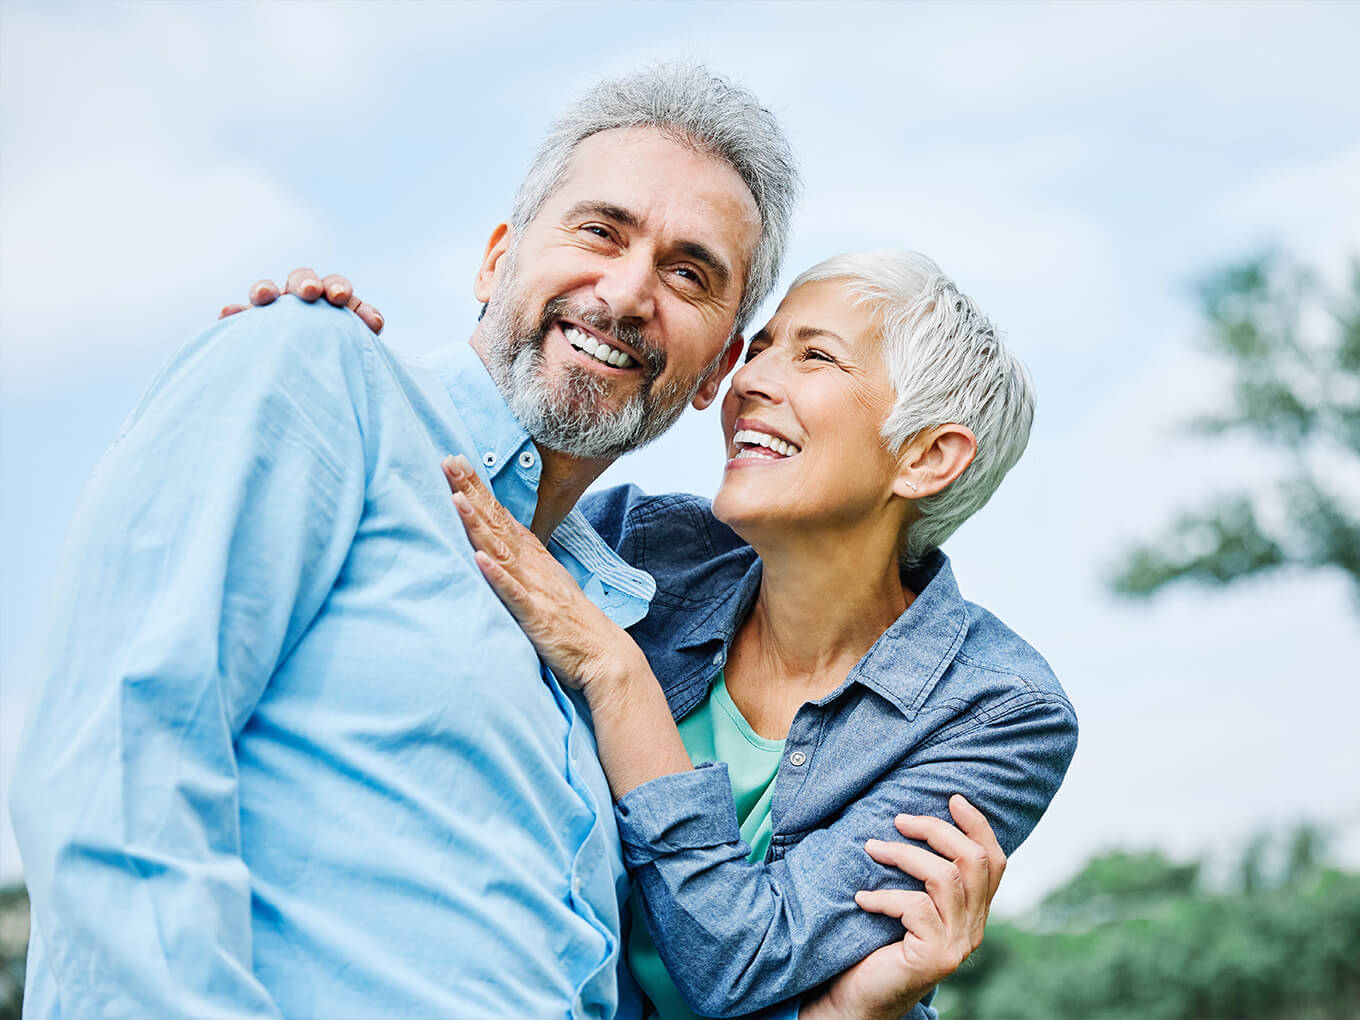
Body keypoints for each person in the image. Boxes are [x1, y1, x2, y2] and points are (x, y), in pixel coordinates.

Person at [10, 65, 1005, 1020]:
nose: (626, 293)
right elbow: (120, 774)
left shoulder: (615, 633)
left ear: (715, 374)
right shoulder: (318, 375)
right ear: (496, 261)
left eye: (688, 274)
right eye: (599, 230)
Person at [286, 251, 1077, 1020]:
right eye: (761, 348)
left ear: (928, 457)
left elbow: (736, 963)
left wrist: (616, 672)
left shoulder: (999, 712)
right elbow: (433, 527)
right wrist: (329, 370)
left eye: (816, 357)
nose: (749, 381)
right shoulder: (638, 542)